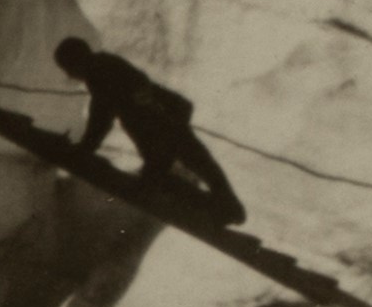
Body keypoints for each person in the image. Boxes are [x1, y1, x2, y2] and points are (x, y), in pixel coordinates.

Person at [53, 36, 247, 227]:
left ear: (76, 61)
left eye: (68, 69)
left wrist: (85, 149)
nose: (70, 75)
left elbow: (101, 118)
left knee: (160, 179)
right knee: (198, 164)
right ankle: (227, 208)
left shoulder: (99, 73)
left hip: (159, 127)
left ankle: (221, 208)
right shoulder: (106, 64)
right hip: (166, 120)